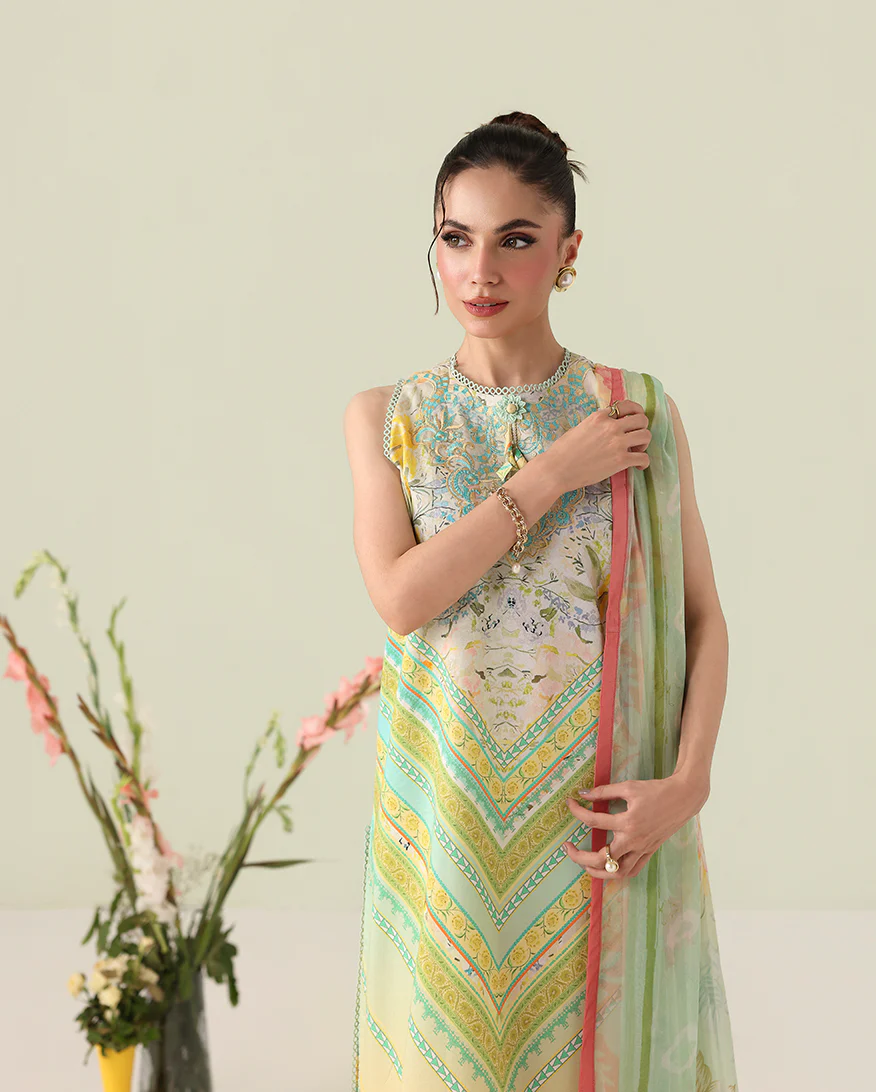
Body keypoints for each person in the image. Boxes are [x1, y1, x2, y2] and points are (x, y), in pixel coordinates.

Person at [343, 112, 738, 1092]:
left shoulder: (636, 412)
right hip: (447, 831)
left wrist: (688, 784)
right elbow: (401, 597)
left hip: (601, 831)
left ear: (568, 252)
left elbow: (701, 618)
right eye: (457, 237)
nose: (480, 270)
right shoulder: (389, 419)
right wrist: (553, 474)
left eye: (516, 240)